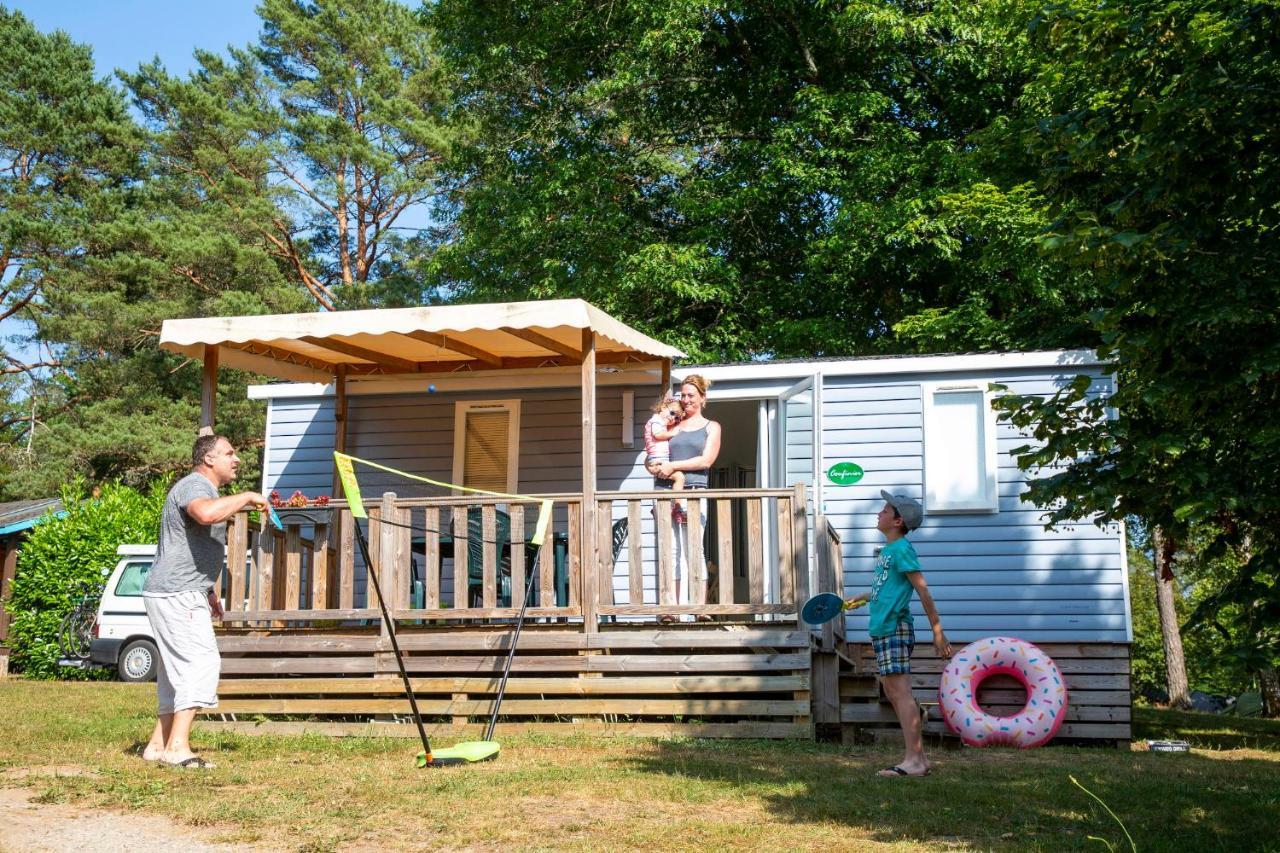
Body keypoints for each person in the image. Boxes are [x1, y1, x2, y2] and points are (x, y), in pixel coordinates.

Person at [140, 434, 266, 769]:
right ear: (208, 459)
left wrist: (207, 591)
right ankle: (178, 748)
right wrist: (248, 497)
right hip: (176, 592)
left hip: (179, 590)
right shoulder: (196, 486)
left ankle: (157, 745)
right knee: (201, 663)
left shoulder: (201, 487)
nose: (236, 459)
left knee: (175, 672)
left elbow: (190, 544)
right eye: (229, 453)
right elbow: (206, 515)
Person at [845, 490, 951, 778]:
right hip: (883, 628)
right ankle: (918, 759)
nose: (879, 513)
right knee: (894, 692)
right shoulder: (889, 552)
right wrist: (864, 597)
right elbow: (888, 589)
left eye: (885, 510)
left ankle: (915, 761)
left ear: (898, 521)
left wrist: (937, 631)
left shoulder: (902, 549)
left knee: (901, 693)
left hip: (894, 627)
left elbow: (922, 589)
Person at [655, 375, 721, 621]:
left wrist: (674, 466)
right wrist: (655, 466)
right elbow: (653, 452)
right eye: (682, 395)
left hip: (693, 493)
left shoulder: (711, 427)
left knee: (694, 548)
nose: (685, 400)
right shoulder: (671, 425)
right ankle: (670, 609)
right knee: (669, 549)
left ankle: (698, 607)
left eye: (691, 395)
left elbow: (706, 460)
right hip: (665, 492)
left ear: (703, 398)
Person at [643, 393, 686, 524]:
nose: (673, 418)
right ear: (662, 407)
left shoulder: (660, 421)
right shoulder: (655, 421)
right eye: (672, 413)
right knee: (680, 478)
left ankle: (661, 508)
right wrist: (672, 433)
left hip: (658, 459)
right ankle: (677, 508)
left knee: (676, 479)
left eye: (677, 418)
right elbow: (658, 435)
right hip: (658, 459)